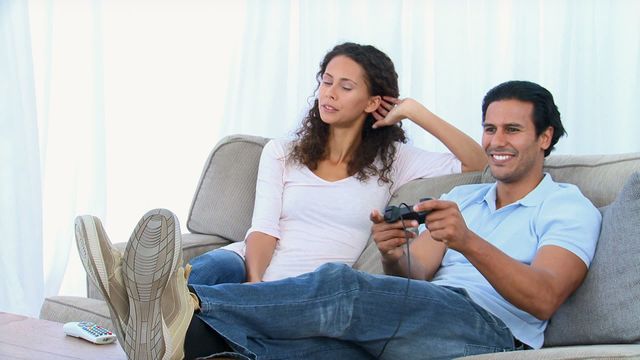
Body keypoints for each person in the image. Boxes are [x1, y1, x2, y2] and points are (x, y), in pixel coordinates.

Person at [76, 80, 602, 360]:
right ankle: (168, 337)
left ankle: (177, 300)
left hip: (491, 333)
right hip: (426, 319)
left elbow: (544, 296)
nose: (496, 143)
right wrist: (395, 251)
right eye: (489, 129)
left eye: (512, 130)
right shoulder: (469, 201)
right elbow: (413, 282)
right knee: (305, 351)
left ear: (546, 137)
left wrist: (468, 243)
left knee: (343, 287)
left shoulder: (567, 206)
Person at [186, 42, 486, 287]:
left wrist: (415, 111)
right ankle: (166, 302)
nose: (329, 92)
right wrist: (254, 282)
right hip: (249, 268)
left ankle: (195, 311)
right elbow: (264, 229)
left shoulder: (394, 160)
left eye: (346, 86)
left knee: (202, 307)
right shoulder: (281, 152)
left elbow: (478, 164)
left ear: (372, 102)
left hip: (315, 285)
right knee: (204, 271)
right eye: (326, 81)